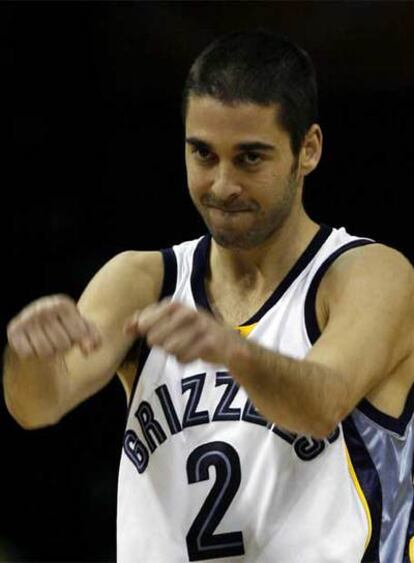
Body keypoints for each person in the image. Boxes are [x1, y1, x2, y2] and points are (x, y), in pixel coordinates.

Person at [3, 30, 414, 563]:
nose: (221, 185)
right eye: (203, 154)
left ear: (308, 149)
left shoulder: (367, 274)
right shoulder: (141, 279)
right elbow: (36, 406)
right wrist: (28, 351)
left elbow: (322, 404)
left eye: (250, 158)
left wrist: (232, 351)